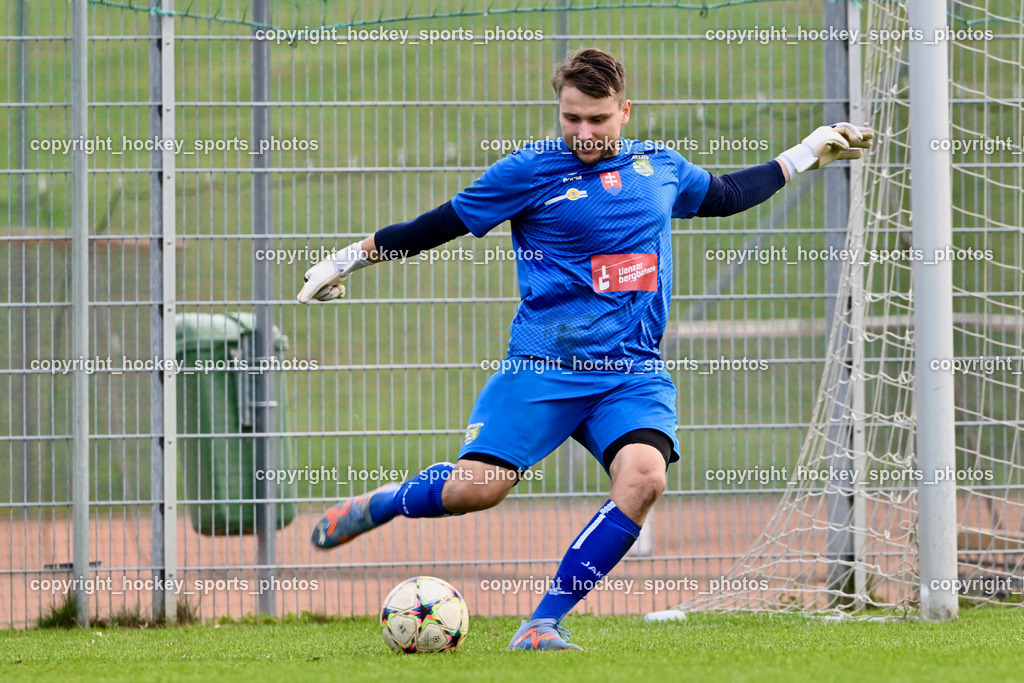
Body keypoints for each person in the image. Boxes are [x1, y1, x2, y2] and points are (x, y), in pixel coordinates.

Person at [297, 47, 872, 651]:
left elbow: (726, 194)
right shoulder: (528, 170)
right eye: (571, 118)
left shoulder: (661, 168)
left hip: (630, 373)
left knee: (645, 477)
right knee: (477, 490)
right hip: (544, 366)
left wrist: (808, 152)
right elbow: (433, 227)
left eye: (597, 119)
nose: (583, 132)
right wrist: (345, 260)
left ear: (624, 111)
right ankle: (385, 502)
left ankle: (542, 624)